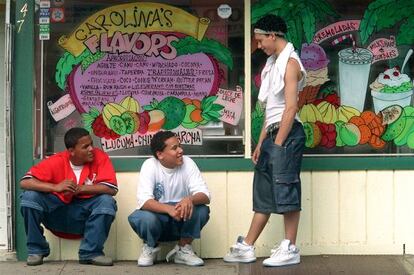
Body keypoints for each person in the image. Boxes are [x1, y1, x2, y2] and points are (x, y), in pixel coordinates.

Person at [224, 14, 306, 267]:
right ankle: (248, 246)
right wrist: (261, 143)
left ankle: (290, 247)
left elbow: (290, 108)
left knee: (286, 188)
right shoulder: (272, 64)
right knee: (264, 194)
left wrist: (279, 143)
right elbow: (271, 110)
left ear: (273, 35)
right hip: (272, 133)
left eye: (261, 40)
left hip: (287, 134)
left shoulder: (290, 63)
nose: (259, 46)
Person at [20, 127, 118, 266]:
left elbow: (111, 188)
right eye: (85, 147)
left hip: (83, 215)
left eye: (92, 144)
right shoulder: (57, 160)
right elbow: (25, 182)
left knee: (106, 201)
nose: (91, 149)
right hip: (57, 214)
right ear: (71, 151)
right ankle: (37, 250)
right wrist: (55, 187)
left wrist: (80, 189)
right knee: (29, 198)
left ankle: (91, 253)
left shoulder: (100, 157)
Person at [128, 130, 210, 267]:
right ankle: (150, 247)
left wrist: (189, 199)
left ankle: (183, 249)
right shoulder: (149, 165)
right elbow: (144, 201)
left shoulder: (188, 163)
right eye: (174, 148)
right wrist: (169, 209)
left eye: (179, 146)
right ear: (160, 154)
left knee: (201, 210)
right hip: (159, 219)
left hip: (181, 219)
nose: (180, 150)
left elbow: (205, 195)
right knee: (143, 217)